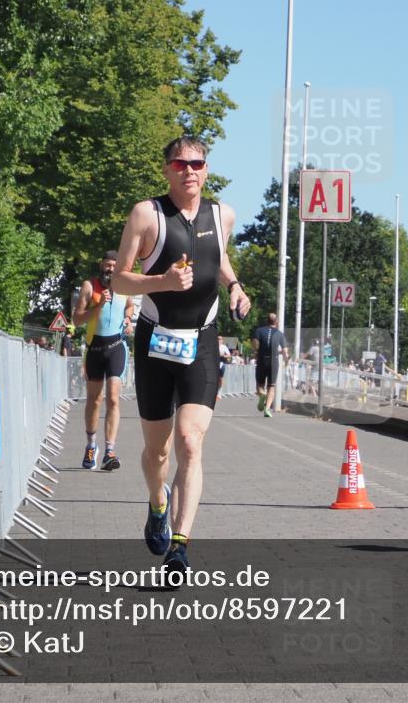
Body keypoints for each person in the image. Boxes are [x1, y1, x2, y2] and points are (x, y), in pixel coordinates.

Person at [111, 136, 251, 577]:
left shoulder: (222, 214)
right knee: (157, 452)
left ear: (206, 169)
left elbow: (219, 258)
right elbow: (118, 281)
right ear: (167, 169)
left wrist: (235, 286)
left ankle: (180, 545)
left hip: (202, 342)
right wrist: (162, 283)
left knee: (191, 441)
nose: (189, 170)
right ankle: (157, 504)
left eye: (197, 163)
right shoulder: (146, 214)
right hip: (155, 340)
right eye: (180, 163)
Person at [73, 251, 136, 472]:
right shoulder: (89, 286)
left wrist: (128, 318)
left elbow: (130, 305)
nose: (110, 269)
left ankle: (110, 451)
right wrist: (98, 307)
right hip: (95, 349)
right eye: (107, 265)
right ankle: (91, 445)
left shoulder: (124, 286)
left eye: (114, 266)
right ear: (101, 266)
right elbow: (77, 319)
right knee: (94, 400)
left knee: (113, 399)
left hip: (116, 347)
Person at [251, 312, 289, 418]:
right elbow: (285, 350)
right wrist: (286, 359)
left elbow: (255, 344)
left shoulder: (259, 331)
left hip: (262, 360)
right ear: (276, 322)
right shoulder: (280, 334)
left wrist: (255, 352)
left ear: (266, 320)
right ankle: (267, 409)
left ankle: (262, 394)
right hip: (274, 362)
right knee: (271, 386)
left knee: (259, 385)